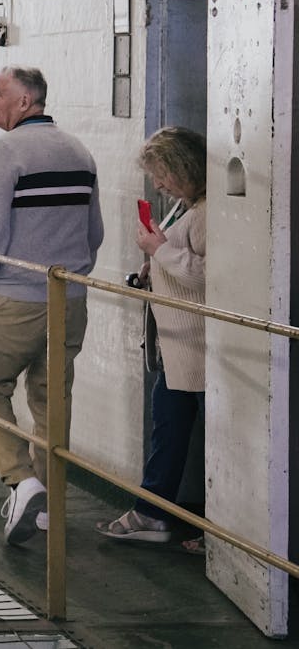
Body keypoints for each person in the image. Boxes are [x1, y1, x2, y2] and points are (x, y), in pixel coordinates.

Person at [0, 65, 103, 545]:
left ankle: (23, 482)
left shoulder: (5, 151)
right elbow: (95, 234)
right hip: (69, 298)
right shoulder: (80, 151)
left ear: (25, 102)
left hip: (13, 298)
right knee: (52, 401)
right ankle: (50, 509)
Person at [98, 127, 207, 551]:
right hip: (180, 346)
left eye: (162, 173)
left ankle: (171, 518)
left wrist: (160, 252)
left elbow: (210, 277)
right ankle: (156, 512)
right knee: (170, 429)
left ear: (185, 166)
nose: (158, 184)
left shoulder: (208, 213)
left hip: (199, 348)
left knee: (190, 435)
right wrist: (156, 264)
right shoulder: (185, 206)